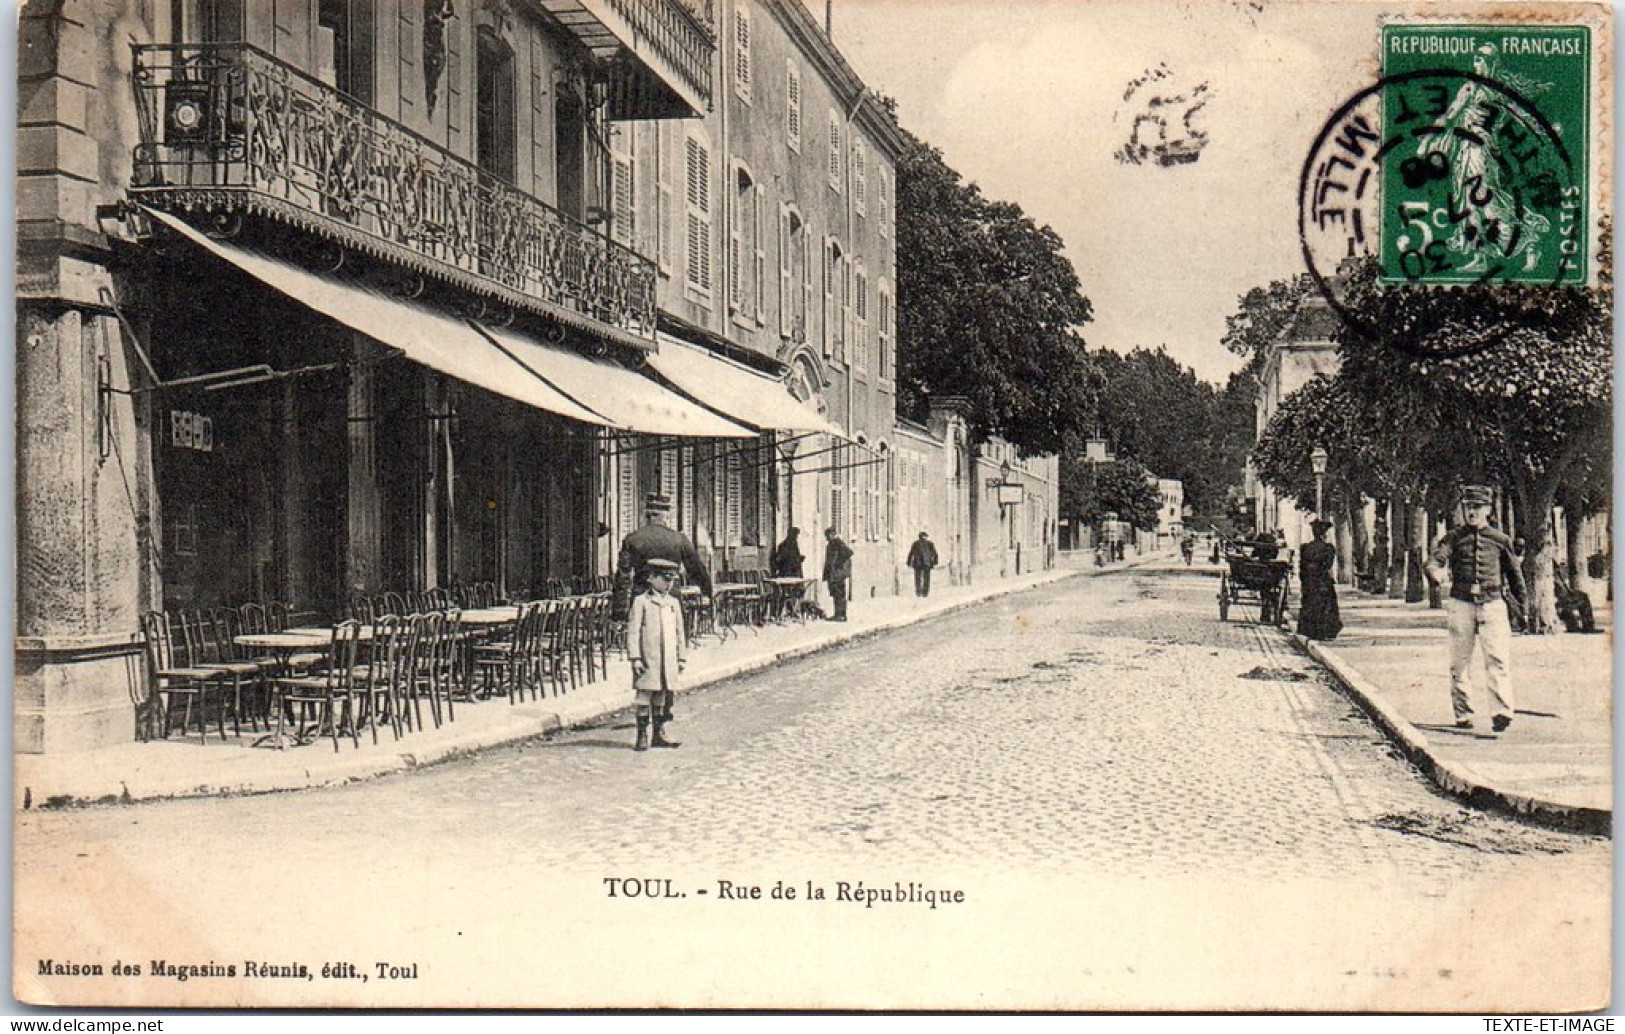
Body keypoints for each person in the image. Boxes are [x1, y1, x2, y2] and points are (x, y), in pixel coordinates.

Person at [1425, 485, 1526, 735]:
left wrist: (1522, 608)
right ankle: (1463, 714)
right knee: (1459, 663)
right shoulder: (1453, 538)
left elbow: (1515, 577)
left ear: (1488, 510)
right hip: (1461, 604)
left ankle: (1501, 712)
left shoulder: (1501, 540)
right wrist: (1436, 573)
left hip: (1493, 604)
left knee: (1498, 660)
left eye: (1477, 508)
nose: (1472, 512)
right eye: (1468, 507)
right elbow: (1436, 559)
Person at [611, 492, 712, 623]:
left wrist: (619, 611)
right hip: (671, 598)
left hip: (641, 599)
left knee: (642, 639)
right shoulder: (679, 539)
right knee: (674, 638)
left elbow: (622, 577)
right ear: (666, 516)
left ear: (646, 515)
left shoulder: (632, 539)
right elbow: (696, 570)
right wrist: (707, 591)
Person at [625, 558, 686, 752]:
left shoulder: (673, 603)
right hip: (647, 658)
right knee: (644, 695)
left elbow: (679, 632)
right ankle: (642, 733)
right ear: (652, 578)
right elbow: (633, 631)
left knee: (661, 694)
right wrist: (635, 658)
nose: (669, 585)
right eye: (665, 579)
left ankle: (658, 733)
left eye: (672, 581)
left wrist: (681, 657)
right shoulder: (641, 602)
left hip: (667, 659)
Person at [1296, 518, 1342, 641]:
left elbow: (1302, 566)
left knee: (1309, 603)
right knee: (1326, 604)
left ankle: (1309, 630)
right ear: (1324, 534)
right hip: (1321, 580)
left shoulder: (1305, 547)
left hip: (1308, 581)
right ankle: (1324, 631)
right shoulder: (1328, 548)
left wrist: (1305, 580)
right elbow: (1327, 565)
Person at [823, 527, 853, 621]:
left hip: (837, 574)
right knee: (837, 594)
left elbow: (849, 553)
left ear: (832, 534)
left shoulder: (837, 543)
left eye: (828, 536)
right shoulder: (832, 544)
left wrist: (838, 565)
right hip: (834, 574)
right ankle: (839, 615)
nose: (826, 538)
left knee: (839, 594)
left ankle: (840, 615)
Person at [906, 531, 939, 597]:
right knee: (926, 578)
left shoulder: (916, 544)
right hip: (927, 563)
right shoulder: (930, 543)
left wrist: (909, 562)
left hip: (918, 563)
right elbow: (935, 554)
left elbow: (911, 553)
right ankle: (925, 593)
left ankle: (918, 592)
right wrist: (935, 562)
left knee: (918, 578)